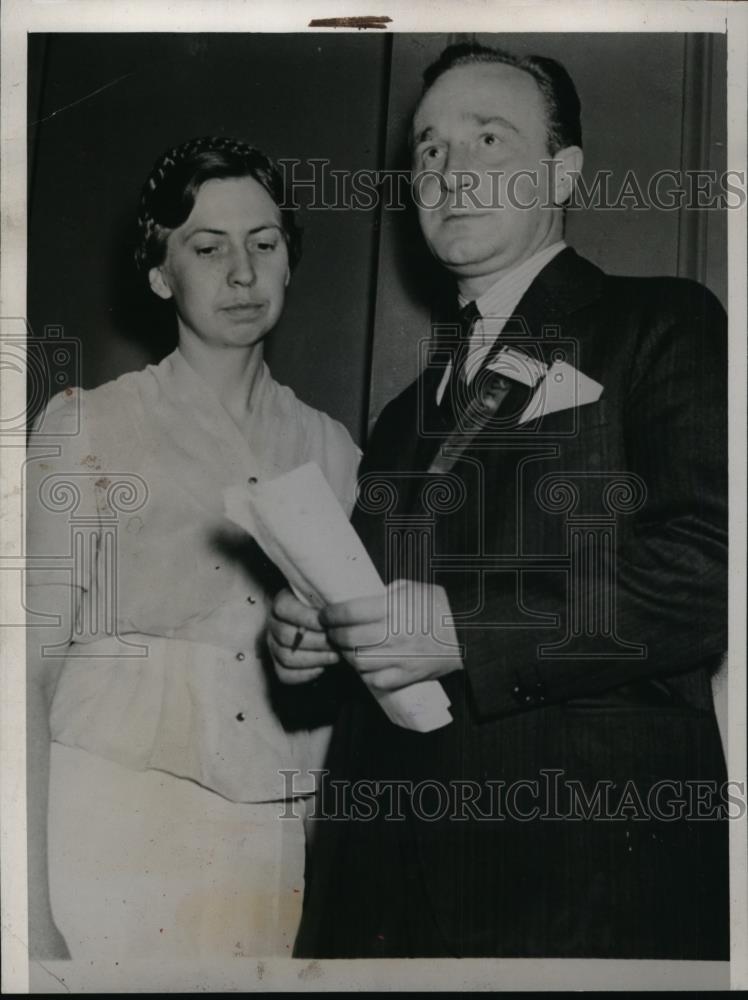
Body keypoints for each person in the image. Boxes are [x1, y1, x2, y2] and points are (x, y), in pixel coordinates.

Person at [269, 44, 729, 958]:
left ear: (564, 174)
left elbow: (711, 569)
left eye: (490, 138)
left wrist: (466, 634)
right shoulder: (405, 416)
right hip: (391, 886)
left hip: (586, 873)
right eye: (431, 150)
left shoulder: (663, 323)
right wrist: (318, 635)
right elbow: (384, 615)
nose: (453, 172)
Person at [25, 136, 360, 961]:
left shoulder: (333, 451)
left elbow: (328, 704)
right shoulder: (88, 424)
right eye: (207, 249)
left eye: (264, 244)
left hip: (266, 846)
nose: (241, 274)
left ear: (289, 262)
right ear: (159, 273)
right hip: (106, 819)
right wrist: (28, 919)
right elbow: (21, 675)